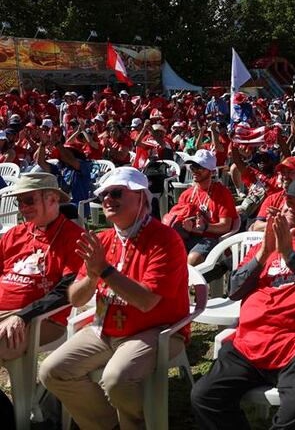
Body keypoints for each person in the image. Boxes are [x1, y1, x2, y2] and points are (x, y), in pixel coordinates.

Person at [190, 177, 295, 429]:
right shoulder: (264, 245)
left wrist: (290, 255)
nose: (291, 210)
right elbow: (234, 290)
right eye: (289, 203)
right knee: (204, 397)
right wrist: (265, 253)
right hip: (250, 343)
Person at [39, 167, 190, 430]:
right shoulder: (104, 239)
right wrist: (92, 277)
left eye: (117, 192)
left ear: (141, 197)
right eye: (103, 195)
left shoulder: (165, 239)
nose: (107, 199)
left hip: (157, 330)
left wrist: (105, 270)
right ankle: (108, 424)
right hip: (105, 327)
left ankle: (136, 424)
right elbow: (76, 299)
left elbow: (146, 301)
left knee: (116, 378)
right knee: (52, 371)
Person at [0, 174, 84, 368]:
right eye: (19, 202)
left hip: (41, 319)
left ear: (53, 199)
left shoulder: (74, 238)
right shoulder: (15, 233)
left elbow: (66, 291)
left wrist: (23, 315)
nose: (23, 207)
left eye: (29, 200)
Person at [163, 149, 238, 266]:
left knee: (193, 259)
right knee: (162, 253)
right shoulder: (186, 194)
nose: (194, 171)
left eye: (199, 168)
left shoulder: (222, 193)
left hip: (211, 238)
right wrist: (184, 225)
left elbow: (226, 226)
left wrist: (205, 227)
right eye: (193, 167)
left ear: (211, 171)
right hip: (187, 236)